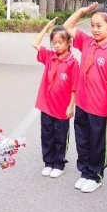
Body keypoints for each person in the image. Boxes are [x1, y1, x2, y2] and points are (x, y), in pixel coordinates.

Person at [63, 3, 107, 193]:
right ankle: (85, 172)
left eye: (99, 26)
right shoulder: (87, 42)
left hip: (99, 108)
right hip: (82, 104)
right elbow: (67, 26)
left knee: (97, 143)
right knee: (82, 140)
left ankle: (95, 175)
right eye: (92, 25)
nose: (95, 29)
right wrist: (82, 12)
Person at [32, 17, 79, 179]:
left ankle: (59, 163)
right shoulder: (49, 56)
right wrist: (46, 28)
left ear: (69, 43)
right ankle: (48, 162)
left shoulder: (72, 63)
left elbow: (74, 87)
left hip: (61, 108)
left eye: (60, 42)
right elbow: (36, 44)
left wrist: (71, 105)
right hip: (46, 105)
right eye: (54, 42)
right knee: (46, 134)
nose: (57, 45)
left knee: (60, 136)